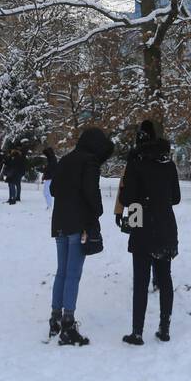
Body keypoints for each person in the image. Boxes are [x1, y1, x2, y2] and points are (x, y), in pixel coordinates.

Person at [117, 120, 180, 345]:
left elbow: (127, 198)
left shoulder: (136, 163)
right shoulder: (168, 164)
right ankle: (165, 327)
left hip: (143, 226)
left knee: (141, 280)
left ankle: (137, 331)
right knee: (165, 278)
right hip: (165, 225)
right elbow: (177, 198)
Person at [48, 127, 112, 346]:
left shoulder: (66, 160)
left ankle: (54, 319)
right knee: (73, 274)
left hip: (59, 223)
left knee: (62, 272)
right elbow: (91, 193)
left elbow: (54, 190)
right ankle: (68, 323)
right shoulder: (90, 162)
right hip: (78, 225)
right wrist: (98, 212)